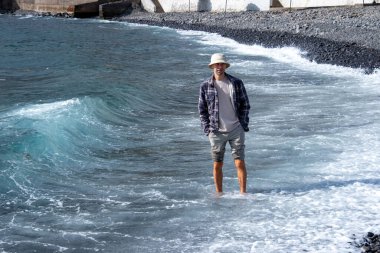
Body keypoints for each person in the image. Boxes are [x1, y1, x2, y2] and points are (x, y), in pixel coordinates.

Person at [198, 53, 250, 193]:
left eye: (221, 64)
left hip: (236, 129)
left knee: (239, 162)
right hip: (215, 131)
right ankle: (219, 194)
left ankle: (243, 193)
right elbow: (202, 110)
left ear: (225, 66)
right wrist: (207, 130)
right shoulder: (205, 86)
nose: (219, 67)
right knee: (217, 164)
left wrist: (242, 123)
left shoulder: (236, 83)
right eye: (216, 64)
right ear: (212, 66)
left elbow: (245, 104)